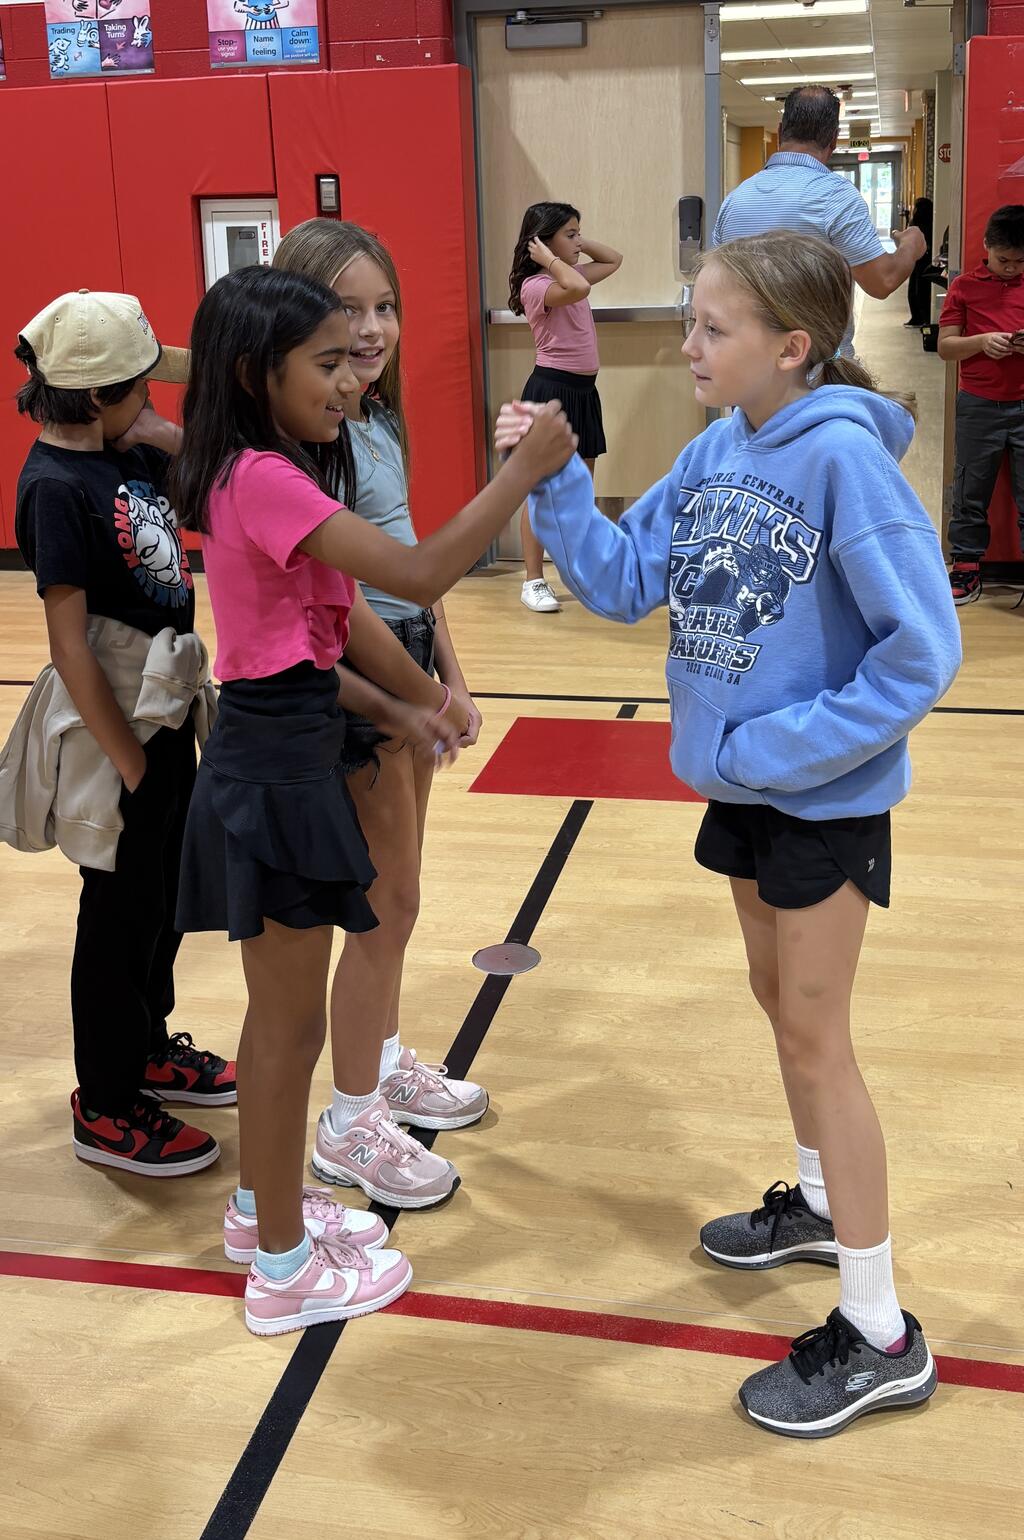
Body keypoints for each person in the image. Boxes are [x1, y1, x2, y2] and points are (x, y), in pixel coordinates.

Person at [497, 232, 960, 1438]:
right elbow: (616, 581)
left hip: (819, 796)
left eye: (712, 328)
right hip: (746, 789)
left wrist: (771, 748)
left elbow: (923, 651)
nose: (688, 345)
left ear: (791, 346)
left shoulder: (843, 461)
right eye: (691, 321)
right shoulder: (714, 450)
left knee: (817, 1039)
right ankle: (818, 1204)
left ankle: (880, 1332)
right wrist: (555, 477)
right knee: (777, 1005)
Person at [168, 264, 575, 1335]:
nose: (351, 380)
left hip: (289, 746)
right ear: (256, 374)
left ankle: (259, 1214)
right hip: (275, 773)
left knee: (282, 1022)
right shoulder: (263, 477)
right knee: (285, 1030)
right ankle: (283, 1272)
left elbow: (315, 638)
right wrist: (521, 472)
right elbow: (422, 571)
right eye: (326, 363)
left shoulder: (267, 469)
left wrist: (406, 705)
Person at [270, 218, 489, 1209]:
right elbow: (346, 600)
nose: (372, 328)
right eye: (346, 308)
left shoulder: (378, 419)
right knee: (380, 904)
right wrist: (413, 693)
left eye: (385, 306)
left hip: (407, 665)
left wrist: (452, 675)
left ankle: (386, 1061)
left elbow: (415, 568)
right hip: (360, 682)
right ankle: (349, 1121)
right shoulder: (304, 438)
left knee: (402, 896)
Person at [3, 290, 235, 1177]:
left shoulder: (125, 449)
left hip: (167, 713)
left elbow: (211, 489)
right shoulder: (54, 488)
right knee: (115, 911)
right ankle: (103, 1101)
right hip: (117, 731)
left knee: (161, 897)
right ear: (97, 396)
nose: (154, 401)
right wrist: (132, 762)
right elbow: (69, 647)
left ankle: (145, 1048)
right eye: (142, 389)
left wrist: (158, 433)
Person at [713, 85, 927, 358]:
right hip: (817, 370)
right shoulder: (836, 196)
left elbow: (717, 286)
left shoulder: (734, 200)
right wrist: (910, 245)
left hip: (747, 366)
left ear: (780, 131)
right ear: (834, 139)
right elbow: (882, 281)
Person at [508, 201, 622, 612]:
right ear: (542, 242)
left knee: (579, 490)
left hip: (583, 392)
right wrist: (550, 257)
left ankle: (577, 573)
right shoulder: (537, 285)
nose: (578, 242)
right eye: (570, 234)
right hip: (551, 391)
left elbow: (613, 260)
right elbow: (578, 289)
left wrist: (574, 244)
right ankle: (533, 580)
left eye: (579, 233)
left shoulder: (566, 274)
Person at [938, 203, 1024, 605]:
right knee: (969, 489)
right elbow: (946, 347)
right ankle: (967, 566)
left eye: (1020, 262)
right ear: (987, 245)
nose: (1011, 268)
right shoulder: (964, 287)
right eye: (1004, 260)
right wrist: (982, 342)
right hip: (978, 403)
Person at [905, 197, 934, 329]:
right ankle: (918, 317)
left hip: (920, 261)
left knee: (918, 290)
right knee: (917, 289)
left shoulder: (918, 225)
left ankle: (919, 317)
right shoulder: (925, 224)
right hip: (920, 260)